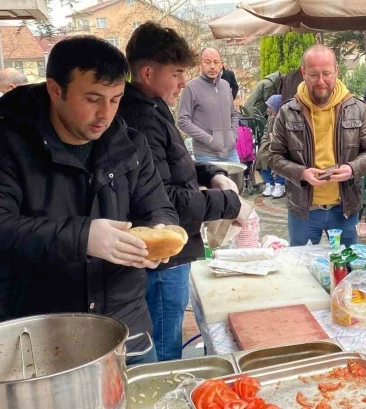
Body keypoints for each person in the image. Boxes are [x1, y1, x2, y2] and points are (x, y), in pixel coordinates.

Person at [0, 36, 178, 366]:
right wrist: (83, 237)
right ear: (55, 90)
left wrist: (160, 231)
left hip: (127, 333)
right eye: (92, 99)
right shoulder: (1, 143)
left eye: (115, 100)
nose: (106, 113)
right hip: (41, 340)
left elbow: (158, 206)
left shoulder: (130, 142)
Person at [119, 23, 250, 361]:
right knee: (163, 351)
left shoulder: (152, 108)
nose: (181, 82)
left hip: (171, 255)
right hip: (162, 259)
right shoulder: (140, 118)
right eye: (176, 73)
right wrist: (230, 204)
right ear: (147, 73)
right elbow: (165, 199)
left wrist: (213, 173)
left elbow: (174, 165)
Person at [270, 44, 366, 247]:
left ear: (337, 70)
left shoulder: (358, 108)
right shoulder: (287, 111)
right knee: (302, 271)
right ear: (303, 72)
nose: (321, 82)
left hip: (344, 208)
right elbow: (274, 157)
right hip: (303, 209)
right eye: (313, 74)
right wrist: (301, 173)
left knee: (347, 268)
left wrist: (352, 168)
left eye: (327, 74)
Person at [177, 47, 240, 163]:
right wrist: (210, 140)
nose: (212, 66)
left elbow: (234, 115)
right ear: (200, 64)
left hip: (231, 152)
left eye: (216, 62)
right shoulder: (191, 87)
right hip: (206, 155)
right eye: (207, 62)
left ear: (221, 65)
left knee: (237, 181)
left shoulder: (226, 85)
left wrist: (233, 136)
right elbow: (182, 120)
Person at [255, 94, 285, 198]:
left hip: (281, 146)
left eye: (271, 107)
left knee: (278, 159)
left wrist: (275, 139)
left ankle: (280, 184)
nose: (269, 109)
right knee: (261, 157)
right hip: (269, 143)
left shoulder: (283, 117)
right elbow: (266, 131)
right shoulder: (271, 117)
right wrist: (266, 141)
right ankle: (269, 183)